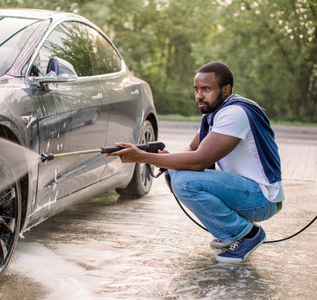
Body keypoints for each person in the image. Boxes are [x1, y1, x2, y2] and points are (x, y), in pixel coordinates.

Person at [105, 61, 284, 263]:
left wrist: (141, 156)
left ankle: (246, 235)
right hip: (247, 192)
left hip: (261, 198)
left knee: (185, 182)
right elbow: (192, 149)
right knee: (177, 173)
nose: (199, 96)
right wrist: (167, 160)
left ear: (226, 89)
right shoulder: (216, 112)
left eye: (206, 89)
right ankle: (236, 233)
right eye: (196, 90)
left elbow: (199, 160)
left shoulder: (234, 114)